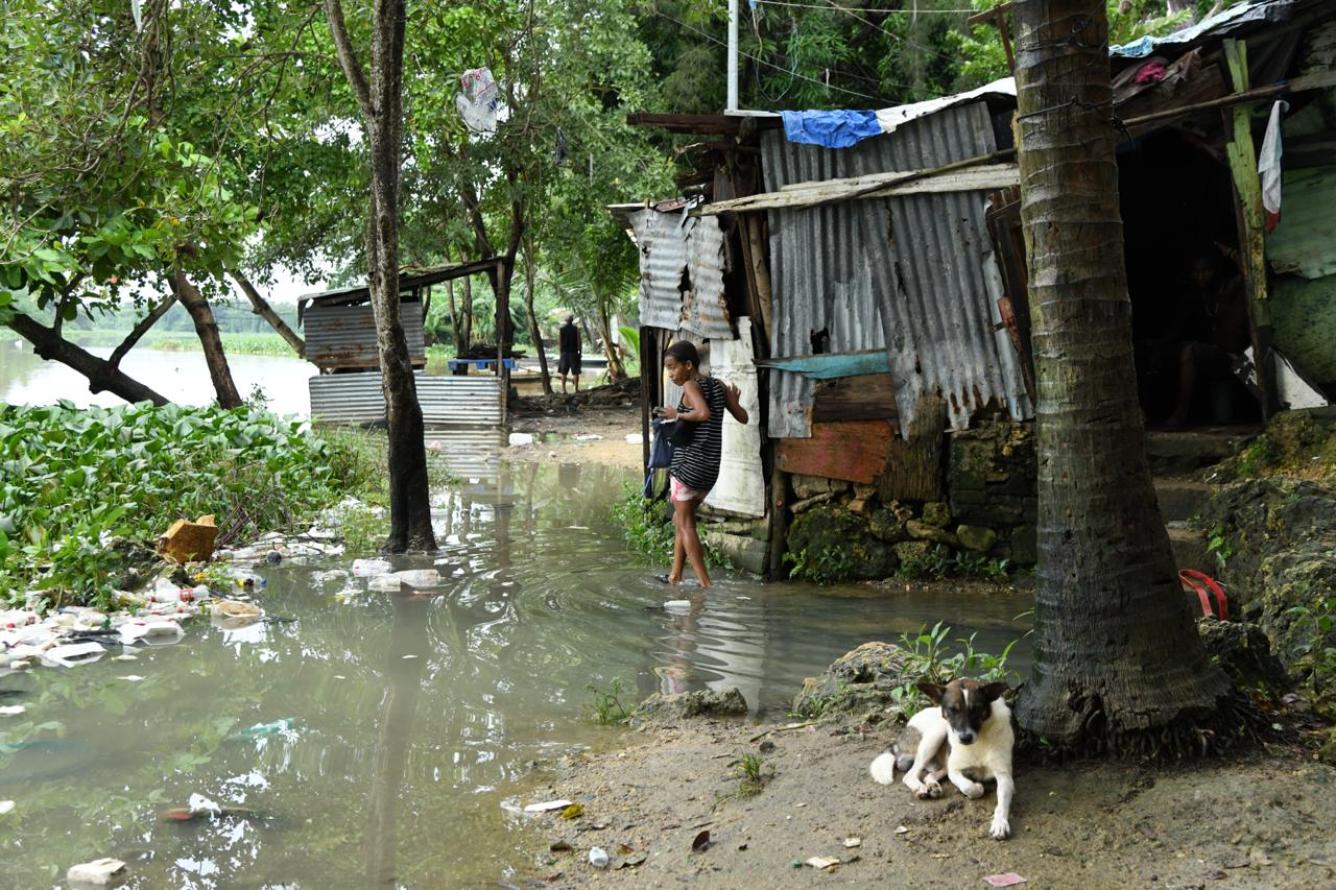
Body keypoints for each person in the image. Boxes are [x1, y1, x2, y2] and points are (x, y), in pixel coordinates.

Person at [654, 341, 748, 588]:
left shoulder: (690, 384)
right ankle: (675, 575)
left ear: (688, 365)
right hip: (709, 468)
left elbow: (703, 413)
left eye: (673, 367)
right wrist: (734, 401)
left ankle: (705, 583)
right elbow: (743, 417)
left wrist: (678, 415)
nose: (671, 374)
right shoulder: (718, 385)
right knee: (681, 520)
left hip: (688, 465)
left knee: (686, 525)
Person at [558, 316, 581, 394]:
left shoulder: (562, 330)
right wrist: (580, 351)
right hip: (574, 353)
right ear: (572, 321)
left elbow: (560, 342)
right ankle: (576, 389)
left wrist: (561, 352)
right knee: (575, 372)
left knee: (563, 372)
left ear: (566, 321)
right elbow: (579, 341)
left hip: (564, 353)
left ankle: (563, 390)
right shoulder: (576, 329)